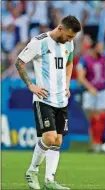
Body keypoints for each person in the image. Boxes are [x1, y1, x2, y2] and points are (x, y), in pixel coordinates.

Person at [15, 15, 81, 189]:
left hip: (61, 99)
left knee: (58, 141)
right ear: (60, 28)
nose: (69, 40)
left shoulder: (69, 43)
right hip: (43, 99)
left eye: (72, 38)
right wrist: (31, 85)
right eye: (68, 36)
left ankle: (49, 181)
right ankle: (32, 171)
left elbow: (69, 62)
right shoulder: (39, 42)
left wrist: (67, 84)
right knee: (49, 137)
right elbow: (19, 62)